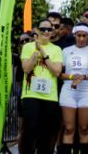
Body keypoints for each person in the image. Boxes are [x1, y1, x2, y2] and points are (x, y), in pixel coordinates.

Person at [58, 24, 88, 154]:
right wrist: (73, 76)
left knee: (84, 128)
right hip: (69, 89)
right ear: (74, 36)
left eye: (84, 36)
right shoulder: (66, 51)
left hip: (87, 90)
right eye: (79, 35)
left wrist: (83, 77)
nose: (82, 39)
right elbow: (60, 74)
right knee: (69, 128)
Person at [20, 19, 63, 154]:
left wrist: (44, 53)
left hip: (49, 96)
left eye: (49, 30)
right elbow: (26, 68)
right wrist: (35, 52)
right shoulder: (27, 47)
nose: (46, 32)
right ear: (36, 31)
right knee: (30, 130)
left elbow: (57, 71)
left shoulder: (56, 49)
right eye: (43, 29)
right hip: (31, 94)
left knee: (45, 134)